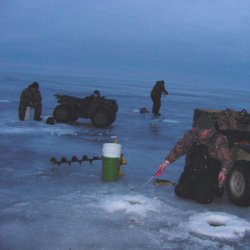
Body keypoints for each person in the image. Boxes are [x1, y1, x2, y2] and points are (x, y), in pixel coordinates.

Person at [155, 115, 233, 204]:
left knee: (202, 199)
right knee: (181, 192)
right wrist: (167, 162)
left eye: (202, 131)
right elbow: (180, 147)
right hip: (192, 170)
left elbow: (228, 159)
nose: (200, 133)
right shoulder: (192, 135)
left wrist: (223, 171)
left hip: (208, 173)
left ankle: (215, 187)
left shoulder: (218, 140)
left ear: (209, 130)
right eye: (199, 130)